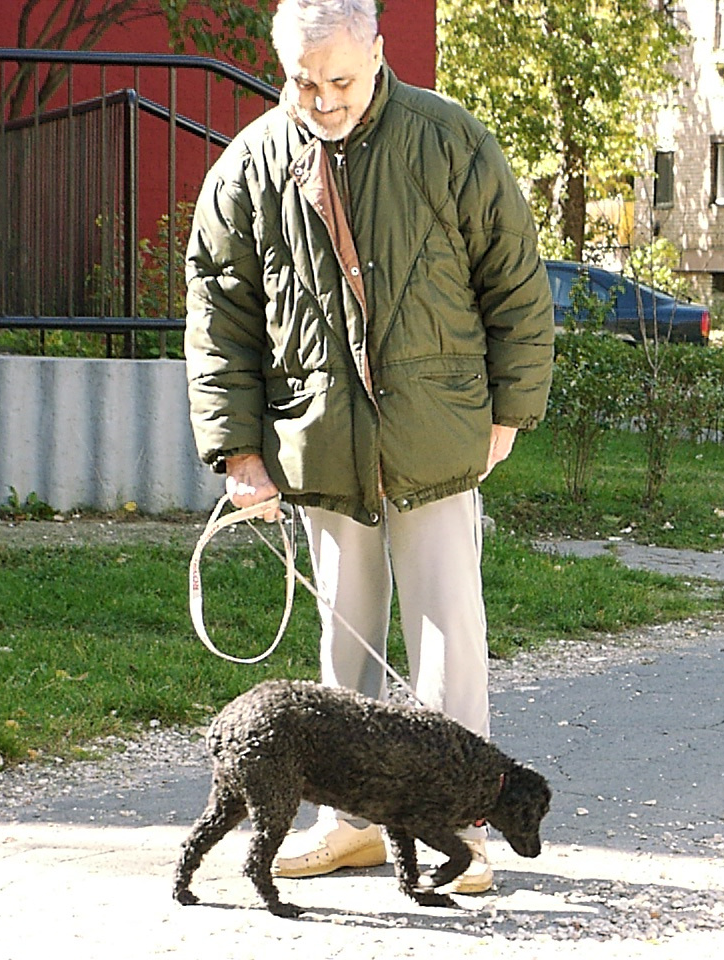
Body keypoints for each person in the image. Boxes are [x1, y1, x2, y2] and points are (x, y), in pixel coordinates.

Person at [183, 0, 554, 894]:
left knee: (446, 638)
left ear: (379, 54)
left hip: (438, 438)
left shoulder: (451, 139)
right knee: (340, 656)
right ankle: (346, 824)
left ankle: (461, 835)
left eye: (342, 79)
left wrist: (509, 412)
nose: (324, 98)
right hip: (321, 449)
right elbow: (218, 314)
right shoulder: (250, 166)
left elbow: (515, 281)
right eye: (306, 81)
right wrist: (237, 449)